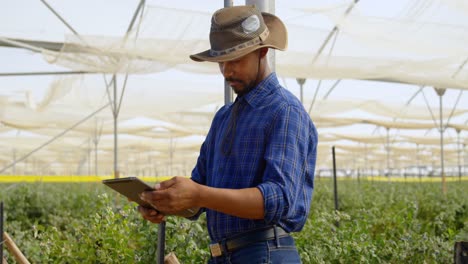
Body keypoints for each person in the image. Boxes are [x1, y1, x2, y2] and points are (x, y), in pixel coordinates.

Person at [138, 5, 317, 263]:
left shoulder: (284, 111)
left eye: (236, 60)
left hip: (265, 252)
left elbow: (278, 199)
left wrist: (198, 194)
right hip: (223, 255)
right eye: (221, 61)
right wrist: (164, 202)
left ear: (263, 51)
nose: (227, 71)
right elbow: (199, 191)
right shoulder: (223, 117)